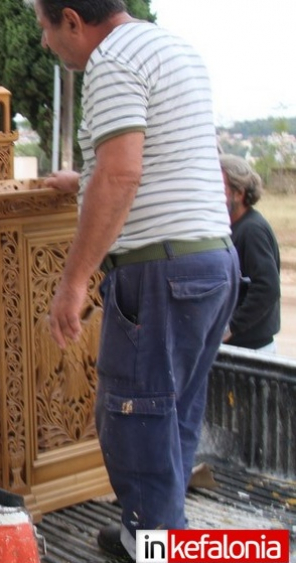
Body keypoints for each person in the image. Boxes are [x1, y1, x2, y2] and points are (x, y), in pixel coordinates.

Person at [29, 0, 239, 560]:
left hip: (160, 272)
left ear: (72, 19)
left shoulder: (111, 60)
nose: (46, 43)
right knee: (171, 415)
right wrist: (85, 179)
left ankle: (156, 544)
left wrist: (74, 283)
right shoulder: (171, 47)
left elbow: (124, 171)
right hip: (213, 261)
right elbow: (162, 158)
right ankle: (147, 534)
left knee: (133, 419)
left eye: (46, 27)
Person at [220, 154, 281, 353]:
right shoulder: (231, 228)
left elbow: (267, 288)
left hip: (251, 349)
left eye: (220, 188)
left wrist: (232, 327)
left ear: (239, 193)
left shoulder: (252, 230)